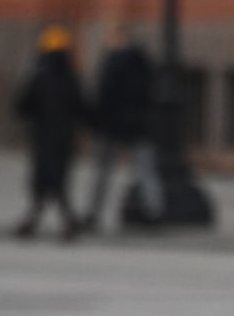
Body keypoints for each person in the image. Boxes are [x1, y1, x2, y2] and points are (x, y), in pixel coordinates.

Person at [81, 20, 163, 233]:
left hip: (113, 124)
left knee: (103, 171)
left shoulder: (112, 62)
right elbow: (151, 92)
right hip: (139, 123)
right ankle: (154, 212)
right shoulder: (142, 62)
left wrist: (97, 121)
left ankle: (94, 212)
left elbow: (104, 94)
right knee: (145, 169)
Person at [12, 24, 88, 242]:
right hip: (64, 138)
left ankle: (37, 220)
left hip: (42, 137)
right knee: (60, 182)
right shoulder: (70, 77)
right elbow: (82, 107)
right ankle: (64, 222)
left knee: (41, 182)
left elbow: (22, 106)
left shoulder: (38, 76)